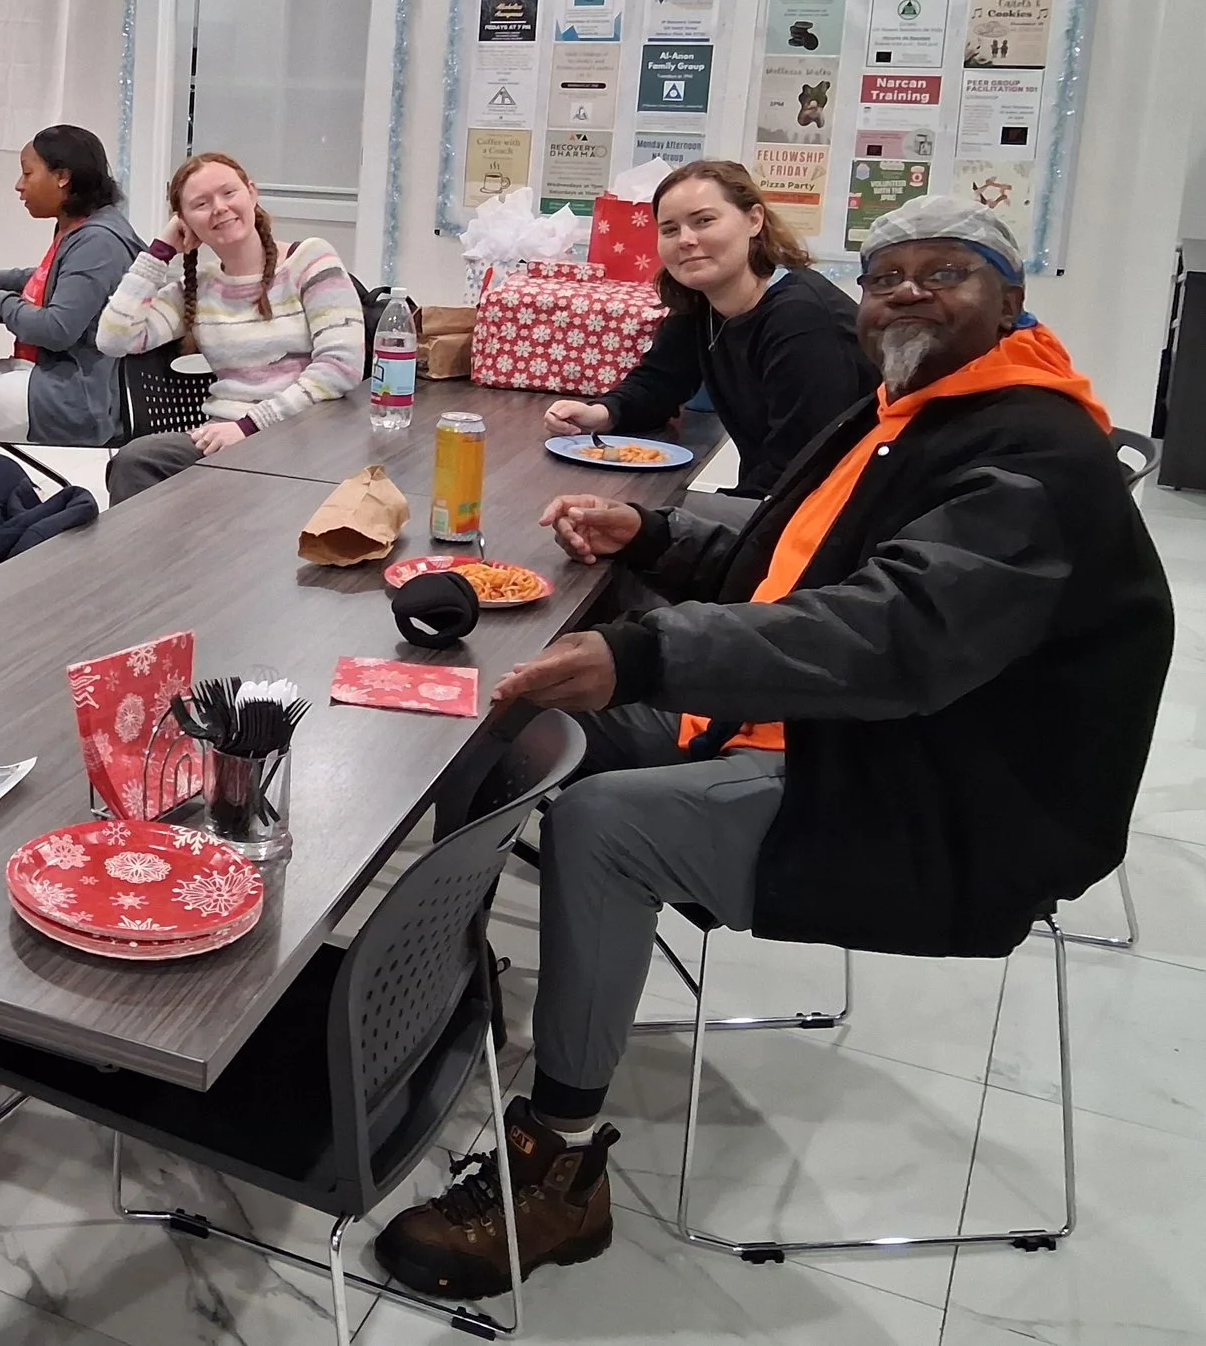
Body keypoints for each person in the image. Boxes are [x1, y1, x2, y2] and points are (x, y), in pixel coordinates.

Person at [373, 193, 1171, 1301]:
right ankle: (440, 979)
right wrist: (652, 533)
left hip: (945, 802)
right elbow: (803, 544)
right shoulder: (918, 407)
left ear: (1012, 302)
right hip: (858, 737)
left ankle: (558, 1169)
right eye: (888, 273)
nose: (906, 292)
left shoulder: (1029, 456)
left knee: (605, 823)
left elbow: (887, 634)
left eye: (946, 274)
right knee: (518, 715)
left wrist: (647, 654)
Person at [543, 159, 874, 496]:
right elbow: (660, 382)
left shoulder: (803, 319)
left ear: (754, 220)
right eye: (670, 229)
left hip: (835, 516)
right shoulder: (702, 300)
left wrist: (681, 526)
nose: (686, 240)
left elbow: (799, 471)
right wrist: (602, 412)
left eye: (704, 221)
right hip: (776, 502)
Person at [94, 151, 364, 501]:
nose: (219, 207)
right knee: (136, 461)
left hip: (302, 434)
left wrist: (251, 426)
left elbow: (341, 366)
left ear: (252, 193)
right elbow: (113, 339)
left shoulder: (310, 259)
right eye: (201, 204)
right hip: (221, 442)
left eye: (228, 193)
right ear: (185, 221)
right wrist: (160, 252)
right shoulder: (199, 285)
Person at [0, 125, 143, 445]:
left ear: (62, 177)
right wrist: (1, 279)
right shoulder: (86, 226)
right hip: (50, 378)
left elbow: (56, 329)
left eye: (27, 174)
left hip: (71, 400)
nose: (19, 186)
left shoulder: (97, 241)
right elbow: (66, 278)